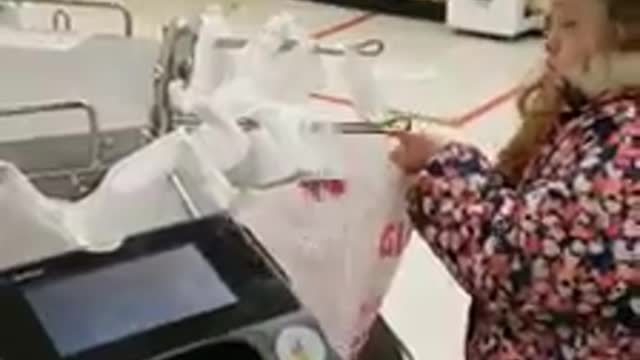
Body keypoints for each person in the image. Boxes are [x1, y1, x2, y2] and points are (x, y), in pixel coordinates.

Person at [390, 0, 638, 358]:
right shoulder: (595, 117)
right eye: (550, 23)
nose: (550, 40)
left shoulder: (626, 156)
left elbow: (513, 262)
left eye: (570, 26)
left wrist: (444, 176)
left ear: (626, 39)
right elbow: (542, 217)